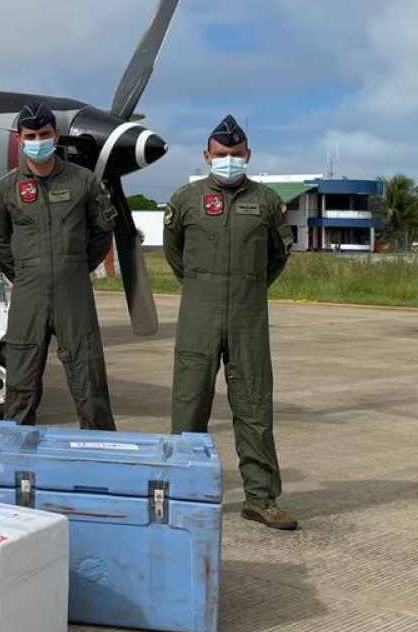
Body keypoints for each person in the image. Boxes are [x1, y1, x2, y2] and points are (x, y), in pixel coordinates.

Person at [164, 114, 296, 529]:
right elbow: (175, 254)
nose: (229, 161)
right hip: (197, 314)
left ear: (248, 155)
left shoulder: (268, 202)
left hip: (248, 316)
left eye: (236, 155)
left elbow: (278, 256)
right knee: (189, 406)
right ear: (207, 156)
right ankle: (183, 496)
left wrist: (248, 286)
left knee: (254, 406)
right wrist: (203, 285)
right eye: (221, 155)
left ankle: (260, 498)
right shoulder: (184, 200)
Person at [0, 102, 118, 430]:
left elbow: (101, 232)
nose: (38, 140)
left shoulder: (83, 181)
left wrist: (73, 267)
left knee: (89, 376)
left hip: (74, 291)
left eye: (44, 134)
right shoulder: (6, 189)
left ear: (55, 135)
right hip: (29, 292)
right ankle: (17, 456)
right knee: (21, 379)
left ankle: (100, 450)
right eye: (31, 135)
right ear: (20, 139)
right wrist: (27, 272)